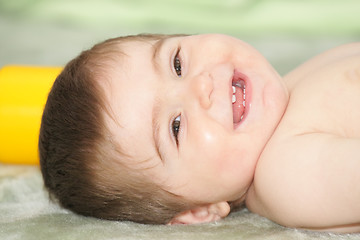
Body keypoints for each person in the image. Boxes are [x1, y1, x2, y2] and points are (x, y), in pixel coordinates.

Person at [39, 33, 360, 233]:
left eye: (177, 63)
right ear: (199, 211)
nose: (201, 85)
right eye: (175, 127)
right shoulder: (285, 174)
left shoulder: (296, 81)